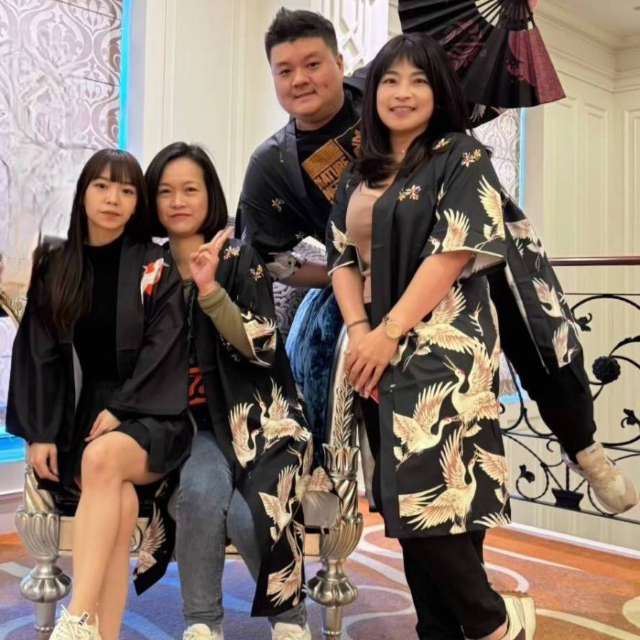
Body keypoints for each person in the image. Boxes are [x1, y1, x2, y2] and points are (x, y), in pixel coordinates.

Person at [237, 7, 638, 517]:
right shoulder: (271, 165)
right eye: (285, 70)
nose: (300, 79)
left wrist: (508, 26)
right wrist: (343, 278)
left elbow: (472, 74)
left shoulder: (388, 86)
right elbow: (269, 259)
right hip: (383, 293)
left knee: (537, 336)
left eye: (312, 64)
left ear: (340, 63)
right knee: (387, 405)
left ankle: (582, 445)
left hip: (469, 256)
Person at [328, 33, 536, 640]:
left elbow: (455, 251)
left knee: (439, 494)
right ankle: (441, 630)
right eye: (390, 80)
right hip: (373, 348)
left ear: (438, 92)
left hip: (444, 343)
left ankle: (492, 624)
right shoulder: (356, 172)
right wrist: (362, 332)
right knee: (408, 498)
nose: (403, 92)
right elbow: (341, 257)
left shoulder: (460, 155)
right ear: (373, 93)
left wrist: (390, 331)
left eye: (419, 80)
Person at [6, 149, 192, 640]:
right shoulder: (55, 263)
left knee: (103, 460)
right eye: (102, 186)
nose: (113, 199)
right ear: (84, 193)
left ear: (137, 203)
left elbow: (165, 350)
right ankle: (100, 635)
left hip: (151, 414)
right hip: (81, 416)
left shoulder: (155, 265)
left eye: (126, 190)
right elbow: (38, 353)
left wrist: (122, 407)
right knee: (119, 500)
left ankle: (75, 618)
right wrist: (40, 433)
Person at [145, 142, 327, 640]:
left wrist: (209, 290)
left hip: (261, 418)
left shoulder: (237, 256)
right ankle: (203, 624)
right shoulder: (148, 268)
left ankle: (290, 621)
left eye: (190, 189)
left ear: (209, 196)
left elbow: (260, 345)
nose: (178, 201)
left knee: (254, 513)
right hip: (193, 427)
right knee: (200, 493)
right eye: (165, 191)